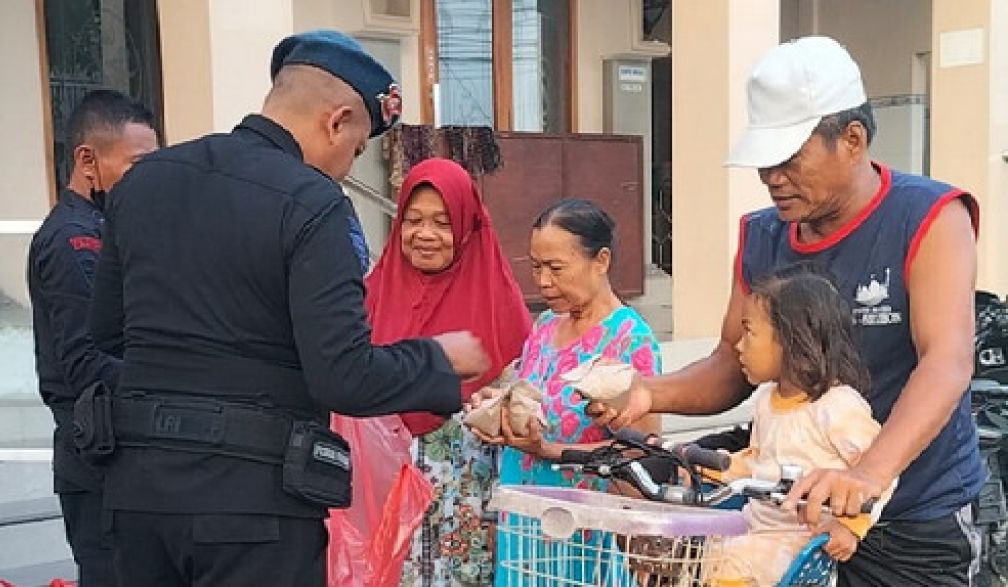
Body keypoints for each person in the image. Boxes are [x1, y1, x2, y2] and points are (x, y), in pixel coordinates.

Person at [88, 30, 489, 586]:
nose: (347, 167)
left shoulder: (143, 181)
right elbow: (344, 376)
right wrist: (436, 360)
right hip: (254, 506)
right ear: (337, 120)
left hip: (139, 496)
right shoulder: (312, 202)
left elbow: (106, 332)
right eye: (354, 149)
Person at [591, 36, 985, 585]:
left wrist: (867, 474)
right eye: (764, 162)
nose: (772, 177)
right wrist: (647, 392)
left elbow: (946, 360)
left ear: (852, 140)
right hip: (789, 524)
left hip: (911, 516)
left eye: (790, 159)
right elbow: (731, 366)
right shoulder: (762, 236)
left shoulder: (929, 217)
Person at [347, 157, 531, 585]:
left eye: (442, 223)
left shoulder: (500, 307)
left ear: (467, 227)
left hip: (469, 510)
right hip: (382, 503)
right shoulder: (367, 298)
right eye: (413, 220)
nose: (425, 235)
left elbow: (520, 417)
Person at [470, 198, 663, 584]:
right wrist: (497, 408)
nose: (542, 281)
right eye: (537, 267)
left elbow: (640, 450)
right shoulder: (545, 326)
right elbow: (530, 396)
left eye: (556, 268)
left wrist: (550, 451)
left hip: (581, 528)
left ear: (601, 261)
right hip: (524, 521)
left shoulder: (630, 339)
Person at [28, 89, 158, 586]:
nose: (148, 180)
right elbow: (87, 360)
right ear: (88, 160)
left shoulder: (108, 229)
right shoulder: (73, 240)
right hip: (95, 455)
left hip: (118, 454)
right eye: (138, 165)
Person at [708, 269, 894, 585]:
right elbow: (759, 462)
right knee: (697, 549)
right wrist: (705, 466)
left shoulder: (838, 406)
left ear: (791, 341)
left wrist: (851, 527)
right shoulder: (766, 401)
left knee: (730, 563)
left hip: (798, 541)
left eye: (749, 333)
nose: (739, 346)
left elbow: (882, 473)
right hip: (756, 527)